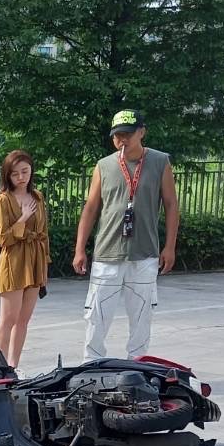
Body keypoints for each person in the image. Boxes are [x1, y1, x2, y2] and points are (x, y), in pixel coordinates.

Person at [73, 109, 180, 360]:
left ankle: (138, 363)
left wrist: (170, 246)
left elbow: (171, 204)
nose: (122, 140)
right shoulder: (104, 165)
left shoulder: (160, 162)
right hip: (107, 253)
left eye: (128, 135)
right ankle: (92, 364)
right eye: (117, 136)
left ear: (141, 132)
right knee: (97, 315)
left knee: (142, 315)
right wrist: (80, 249)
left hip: (144, 254)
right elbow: (90, 208)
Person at [0, 149, 50, 370]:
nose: (21, 177)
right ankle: (0, 368)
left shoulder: (37, 197)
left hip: (35, 261)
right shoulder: (2, 200)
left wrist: (44, 266)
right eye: (15, 173)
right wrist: (23, 218)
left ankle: (14, 366)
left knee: (24, 320)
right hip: (13, 262)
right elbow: (2, 238)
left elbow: (44, 233)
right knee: (8, 319)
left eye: (25, 171)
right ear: (7, 175)